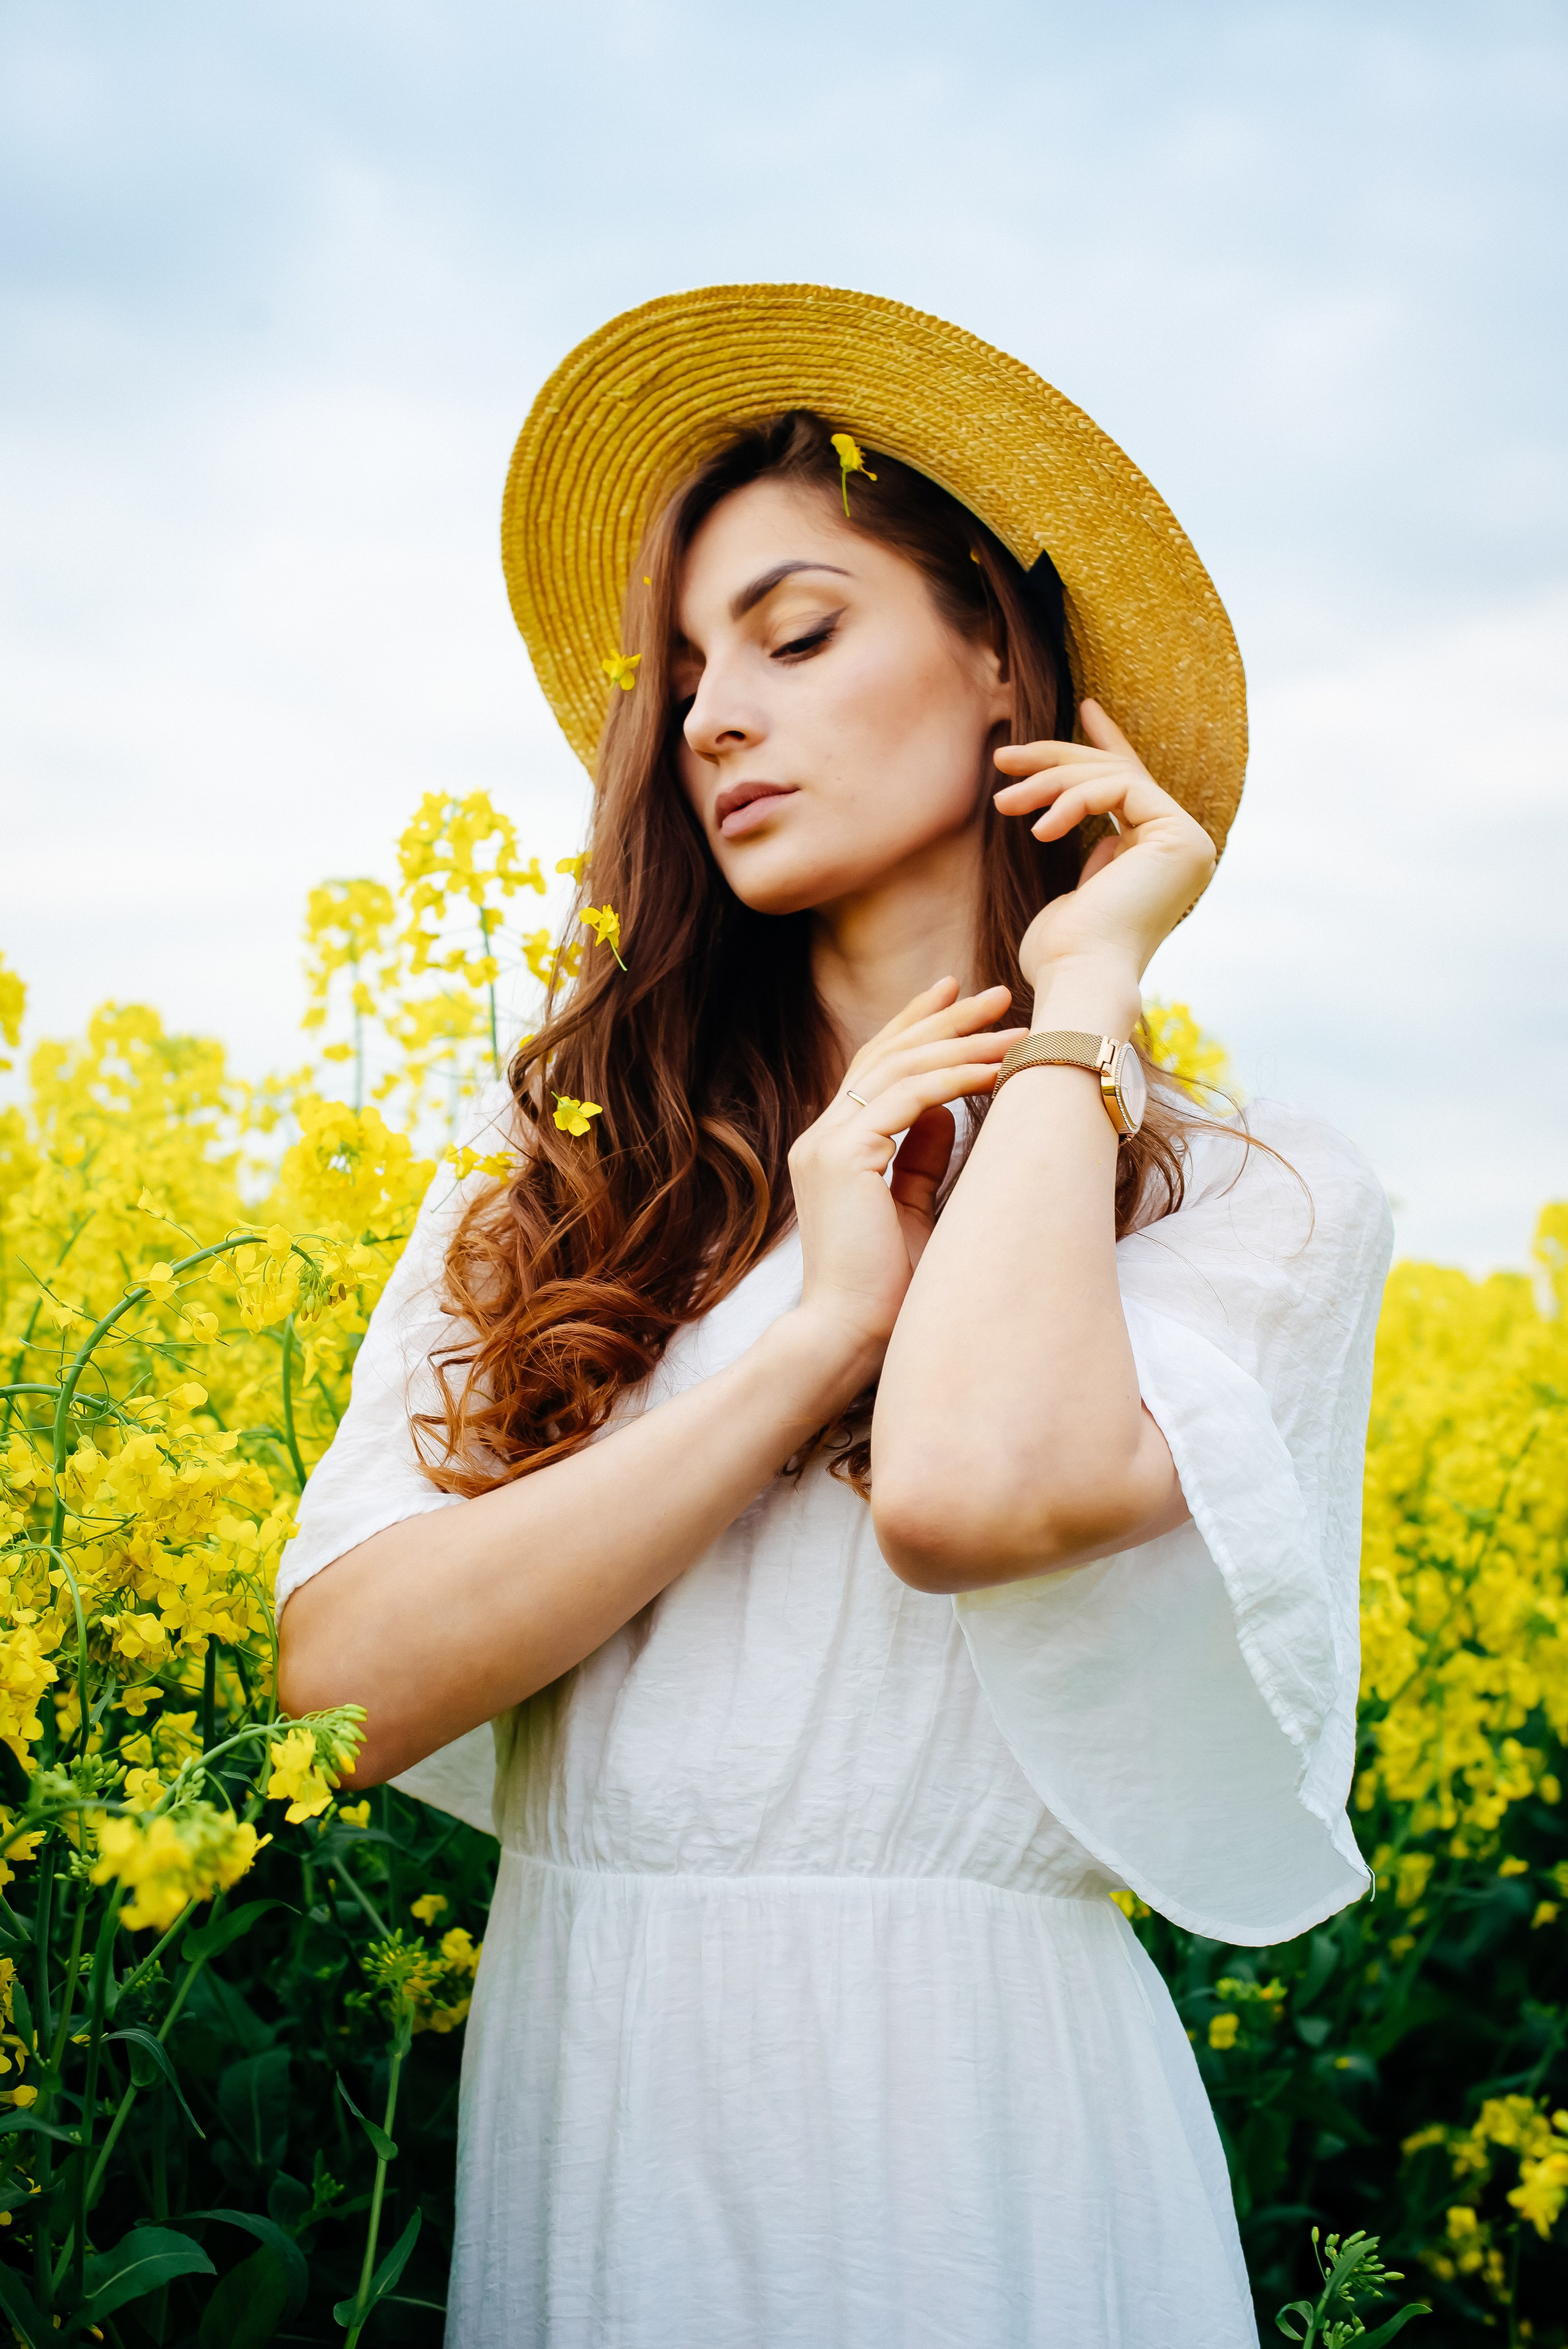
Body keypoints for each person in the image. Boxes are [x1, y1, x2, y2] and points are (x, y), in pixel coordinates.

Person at [277, 285, 1392, 2349]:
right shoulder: (552, 1191)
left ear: (1000, 659)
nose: (710, 713)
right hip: (600, 2085)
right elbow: (328, 1695)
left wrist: (1084, 997)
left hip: (980, 2132)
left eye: (794, 636)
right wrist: (800, 1335)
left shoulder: (1257, 1196)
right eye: (685, 669)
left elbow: (967, 1491)